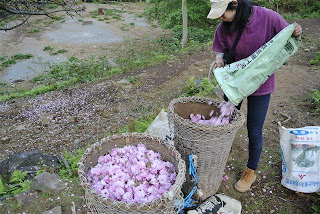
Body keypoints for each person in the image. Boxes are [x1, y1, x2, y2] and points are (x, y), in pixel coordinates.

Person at [207, 0, 302, 192]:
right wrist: (219, 60)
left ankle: (251, 170)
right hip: (235, 81)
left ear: (234, 4)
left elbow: (288, 35)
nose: (221, 17)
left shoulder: (267, 17)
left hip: (261, 82)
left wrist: (297, 31)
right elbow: (219, 47)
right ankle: (226, 150)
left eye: (223, 12)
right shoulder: (223, 26)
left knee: (254, 129)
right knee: (226, 120)